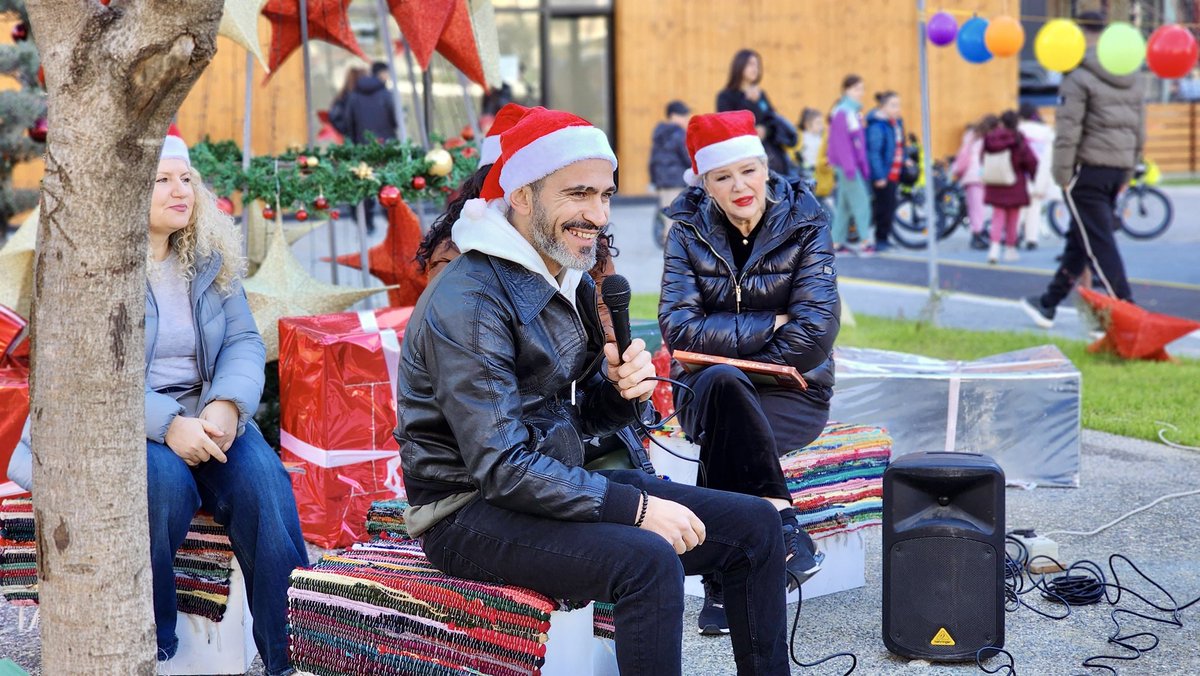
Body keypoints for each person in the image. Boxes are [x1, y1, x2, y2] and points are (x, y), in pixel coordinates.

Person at [397, 108, 791, 676]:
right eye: (578, 194)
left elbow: (575, 419)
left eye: (605, 195)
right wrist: (637, 509)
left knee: (757, 525)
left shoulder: (565, 276)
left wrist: (619, 392)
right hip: (465, 512)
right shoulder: (471, 300)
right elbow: (501, 467)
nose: (599, 215)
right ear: (522, 196)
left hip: (545, 484)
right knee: (647, 560)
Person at [7, 135, 309, 675]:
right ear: (126, 191)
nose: (180, 191)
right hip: (120, 421)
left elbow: (243, 340)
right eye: (162, 180)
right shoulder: (95, 268)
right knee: (163, 483)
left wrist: (226, 405)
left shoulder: (209, 259)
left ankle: (293, 653)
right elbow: (90, 373)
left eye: (186, 179)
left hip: (207, 411)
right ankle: (153, 643)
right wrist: (168, 425)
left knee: (264, 483)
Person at [660, 110, 838, 635]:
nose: (740, 186)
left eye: (748, 171)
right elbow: (678, 330)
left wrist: (728, 342)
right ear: (704, 183)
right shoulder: (687, 230)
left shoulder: (806, 221)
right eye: (723, 176)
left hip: (794, 391)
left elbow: (815, 331)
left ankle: (722, 586)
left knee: (727, 415)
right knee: (724, 388)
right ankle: (782, 523)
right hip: (706, 389)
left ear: (765, 168)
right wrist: (771, 322)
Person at [1022, 11, 1143, 327]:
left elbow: (1068, 130)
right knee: (1081, 240)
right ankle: (1048, 303)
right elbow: (1138, 129)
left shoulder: (1077, 76)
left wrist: (1062, 175)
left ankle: (1127, 311)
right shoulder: (1129, 75)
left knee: (1098, 242)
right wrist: (1128, 171)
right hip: (1116, 168)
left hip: (1087, 170)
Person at [717, 49, 797, 176]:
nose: (755, 69)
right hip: (744, 159)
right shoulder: (725, 96)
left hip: (772, 157)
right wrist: (749, 102)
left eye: (757, 65)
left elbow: (772, 120)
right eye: (750, 64)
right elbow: (729, 127)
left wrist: (765, 130)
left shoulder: (761, 94)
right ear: (739, 65)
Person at [347, 61, 399, 233]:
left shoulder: (354, 95)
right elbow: (395, 120)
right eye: (386, 73)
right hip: (386, 147)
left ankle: (367, 224)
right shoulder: (386, 94)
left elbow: (349, 122)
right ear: (381, 74)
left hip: (363, 148)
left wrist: (357, 142)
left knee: (366, 184)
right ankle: (393, 222)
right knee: (387, 184)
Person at [982, 110, 1039, 264]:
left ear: (1001, 122)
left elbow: (983, 157)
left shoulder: (991, 138)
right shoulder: (1018, 139)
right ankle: (1010, 249)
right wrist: (1034, 177)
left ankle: (994, 248)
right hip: (1015, 182)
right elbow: (1030, 161)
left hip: (995, 182)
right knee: (1013, 219)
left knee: (997, 216)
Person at [827, 74, 872, 254]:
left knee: (844, 206)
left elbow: (857, 144)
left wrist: (862, 165)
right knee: (862, 201)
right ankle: (865, 242)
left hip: (850, 165)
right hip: (847, 166)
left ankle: (836, 243)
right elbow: (841, 144)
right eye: (856, 89)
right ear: (846, 90)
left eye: (862, 88)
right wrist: (850, 167)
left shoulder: (851, 112)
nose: (861, 92)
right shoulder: (842, 112)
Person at [865, 90, 907, 253]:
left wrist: (905, 159)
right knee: (883, 208)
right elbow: (874, 153)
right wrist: (879, 176)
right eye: (893, 105)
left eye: (898, 105)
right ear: (883, 107)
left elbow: (899, 146)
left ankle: (885, 238)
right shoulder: (877, 126)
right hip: (884, 175)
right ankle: (880, 239)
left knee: (890, 206)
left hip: (894, 174)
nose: (897, 108)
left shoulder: (895, 124)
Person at [649, 99, 692, 241]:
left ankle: (669, 240)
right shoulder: (679, 133)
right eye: (683, 115)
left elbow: (653, 159)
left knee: (668, 213)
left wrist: (653, 180)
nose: (686, 119)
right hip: (676, 180)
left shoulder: (660, 134)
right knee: (675, 215)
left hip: (663, 181)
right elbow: (687, 157)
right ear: (673, 116)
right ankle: (672, 245)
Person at [951, 115, 996, 250]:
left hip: (972, 176)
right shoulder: (987, 138)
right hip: (980, 175)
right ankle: (977, 235)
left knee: (976, 207)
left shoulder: (972, 135)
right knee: (979, 208)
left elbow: (963, 154)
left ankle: (978, 233)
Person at [1017, 103, 1056, 250]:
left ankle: (1014, 235)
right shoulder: (1046, 130)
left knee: (1018, 206)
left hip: (1020, 172)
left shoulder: (1017, 129)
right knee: (1035, 206)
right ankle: (1031, 238)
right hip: (1040, 173)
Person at [328, 66, 365, 138]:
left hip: (351, 137)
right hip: (358, 137)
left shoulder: (343, 95)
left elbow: (334, 116)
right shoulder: (351, 96)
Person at [797, 107, 825, 175]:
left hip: (820, 171)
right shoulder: (802, 137)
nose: (821, 126)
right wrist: (806, 165)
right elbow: (799, 155)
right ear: (808, 124)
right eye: (818, 123)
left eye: (821, 123)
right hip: (808, 171)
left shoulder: (821, 138)